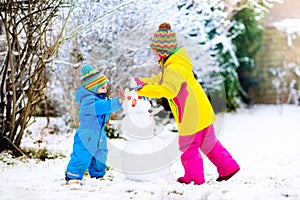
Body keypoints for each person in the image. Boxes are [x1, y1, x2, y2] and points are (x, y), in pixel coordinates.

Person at [134, 22, 240, 185]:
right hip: (202, 110)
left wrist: (142, 91)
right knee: (209, 144)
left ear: (163, 51)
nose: (154, 55)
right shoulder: (176, 65)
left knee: (188, 147)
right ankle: (228, 167)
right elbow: (159, 81)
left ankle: (194, 178)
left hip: (191, 115)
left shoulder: (173, 68)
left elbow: (168, 90)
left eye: (155, 52)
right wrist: (143, 83)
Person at [65, 64, 125, 185]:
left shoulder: (100, 99)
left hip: (99, 134)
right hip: (86, 134)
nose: (105, 90)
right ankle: (73, 176)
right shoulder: (88, 102)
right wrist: (117, 101)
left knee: (100, 156)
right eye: (102, 87)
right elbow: (102, 107)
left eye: (105, 87)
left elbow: (105, 106)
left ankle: (98, 175)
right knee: (82, 155)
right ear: (92, 88)